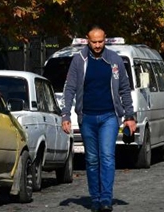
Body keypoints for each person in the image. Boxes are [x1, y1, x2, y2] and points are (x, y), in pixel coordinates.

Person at [61, 26, 137, 212]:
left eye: (100, 41)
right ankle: (95, 198)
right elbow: (69, 88)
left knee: (108, 157)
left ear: (105, 40)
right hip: (86, 116)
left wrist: (130, 116)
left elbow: (125, 89)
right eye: (93, 42)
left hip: (109, 116)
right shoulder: (79, 60)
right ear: (88, 40)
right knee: (93, 159)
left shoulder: (114, 60)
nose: (97, 45)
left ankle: (106, 199)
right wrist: (65, 114)